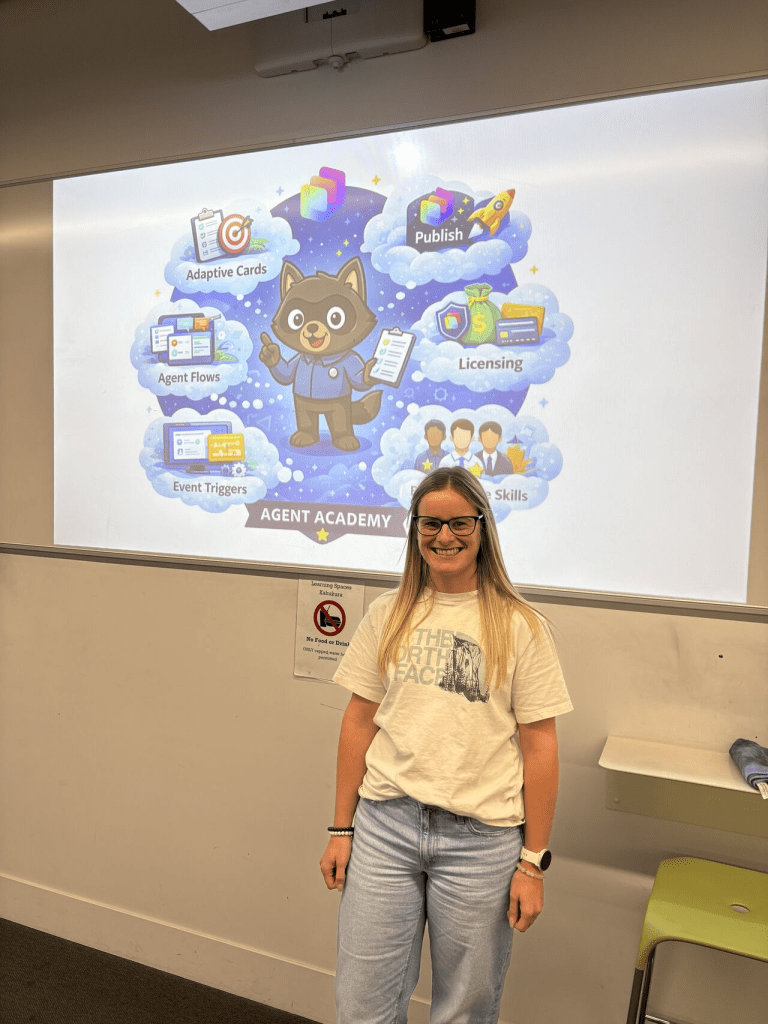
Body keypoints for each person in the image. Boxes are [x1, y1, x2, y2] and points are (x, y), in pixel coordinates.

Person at [320, 466, 573, 1024]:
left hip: (481, 843)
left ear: (483, 527)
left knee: (464, 1011)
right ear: (415, 530)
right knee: (361, 1006)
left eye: (460, 523)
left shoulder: (521, 625)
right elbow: (358, 722)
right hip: (385, 827)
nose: (445, 536)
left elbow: (541, 748)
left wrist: (533, 863)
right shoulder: (388, 614)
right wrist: (341, 829)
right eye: (430, 524)